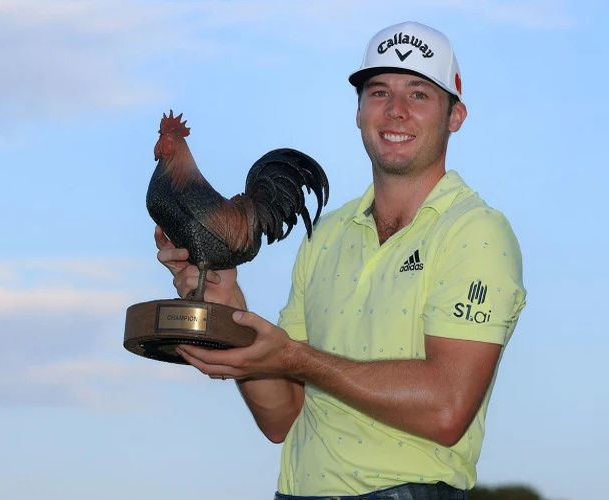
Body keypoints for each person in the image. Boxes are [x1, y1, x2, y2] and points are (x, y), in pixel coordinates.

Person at [156, 21, 525, 500]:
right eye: (379, 92)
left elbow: (447, 408)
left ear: (455, 116)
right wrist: (227, 301)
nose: (395, 110)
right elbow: (282, 417)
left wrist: (297, 358)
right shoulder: (326, 235)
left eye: (418, 94)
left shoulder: (475, 232)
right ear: (358, 112)